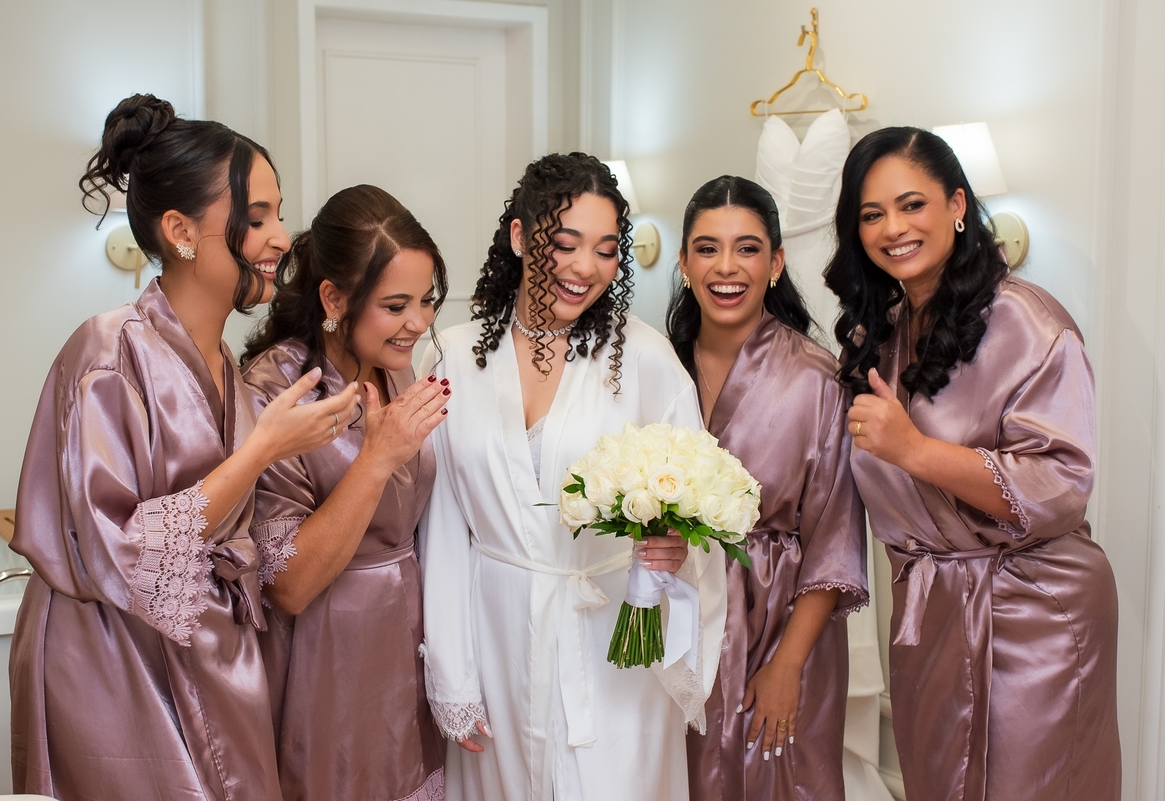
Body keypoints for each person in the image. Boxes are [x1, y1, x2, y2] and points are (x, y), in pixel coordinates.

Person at [8, 94, 358, 800]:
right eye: (256, 217)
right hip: (110, 657)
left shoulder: (225, 364)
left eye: (279, 214)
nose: (281, 236)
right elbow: (123, 548)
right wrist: (261, 451)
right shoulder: (107, 353)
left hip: (208, 649)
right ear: (180, 231)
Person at [419, 153, 727, 801]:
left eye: (607, 250)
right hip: (495, 638)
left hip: (614, 643)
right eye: (565, 243)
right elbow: (441, 526)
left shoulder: (642, 357)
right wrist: (452, 674)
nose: (586, 267)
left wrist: (677, 546)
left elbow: (695, 498)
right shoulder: (453, 356)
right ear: (519, 237)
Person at [824, 126, 1120, 801]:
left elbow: (1062, 484)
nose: (893, 228)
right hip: (929, 611)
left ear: (957, 205)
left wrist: (915, 450)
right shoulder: (878, 336)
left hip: (1035, 608)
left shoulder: (1027, 321)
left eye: (912, 205)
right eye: (872, 214)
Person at [240, 184, 450, 800]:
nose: (419, 323)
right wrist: (376, 459)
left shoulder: (393, 367)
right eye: (396, 305)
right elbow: (289, 585)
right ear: (334, 298)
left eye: (426, 301)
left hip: (404, 638)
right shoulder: (277, 388)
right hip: (326, 655)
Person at [669, 176, 867, 801]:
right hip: (677, 619)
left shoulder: (818, 380)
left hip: (783, 623)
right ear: (684, 263)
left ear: (776, 263)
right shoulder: (656, 370)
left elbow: (835, 538)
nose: (726, 267)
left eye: (747, 248)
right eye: (707, 248)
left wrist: (787, 666)